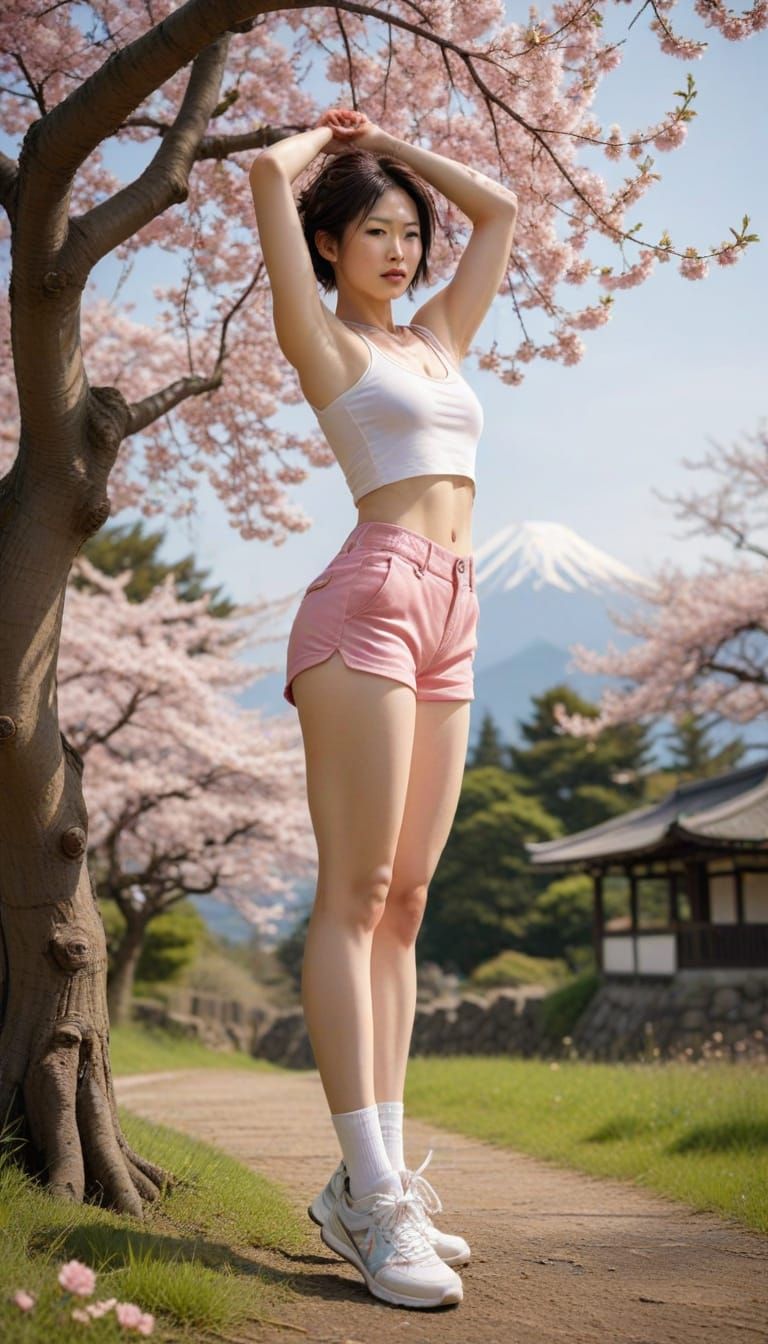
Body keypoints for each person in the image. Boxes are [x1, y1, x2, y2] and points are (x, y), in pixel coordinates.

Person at [249, 106, 517, 1311]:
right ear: (327, 247)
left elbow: (503, 213)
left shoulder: (438, 341)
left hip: (458, 606)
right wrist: (322, 139)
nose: (402, 250)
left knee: (407, 902)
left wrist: (402, 150)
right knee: (355, 895)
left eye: (410, 231)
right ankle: (369, 1191)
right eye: (374, 231)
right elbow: (262, 173)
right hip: (367, 603)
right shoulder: (324, 342)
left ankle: (377, 1184)